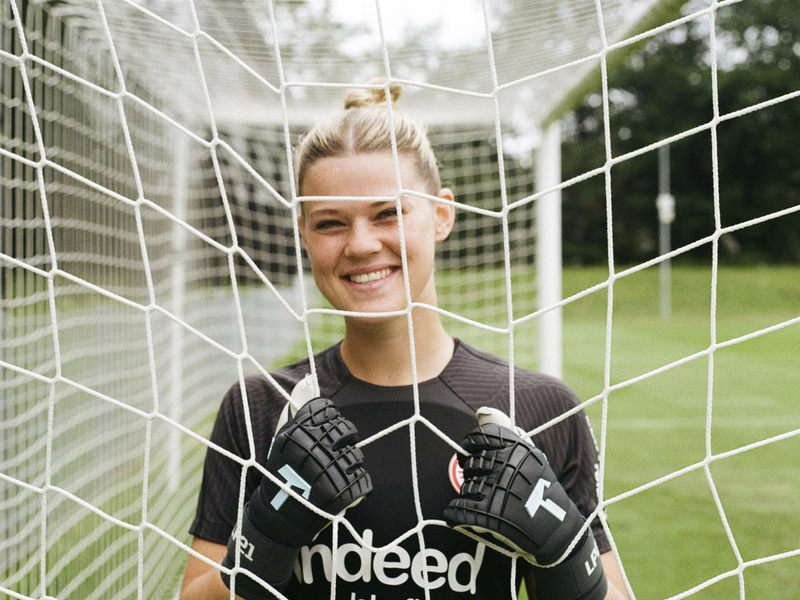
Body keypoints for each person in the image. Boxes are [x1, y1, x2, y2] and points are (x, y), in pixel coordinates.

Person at [179, 79, 628, 600]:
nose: (361, 244)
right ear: (302, 233)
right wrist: (266, 537)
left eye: (388, 213)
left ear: (441, 214)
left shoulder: (540, 408)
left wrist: (564, 552)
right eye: (330, 223)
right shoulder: (260, 407)